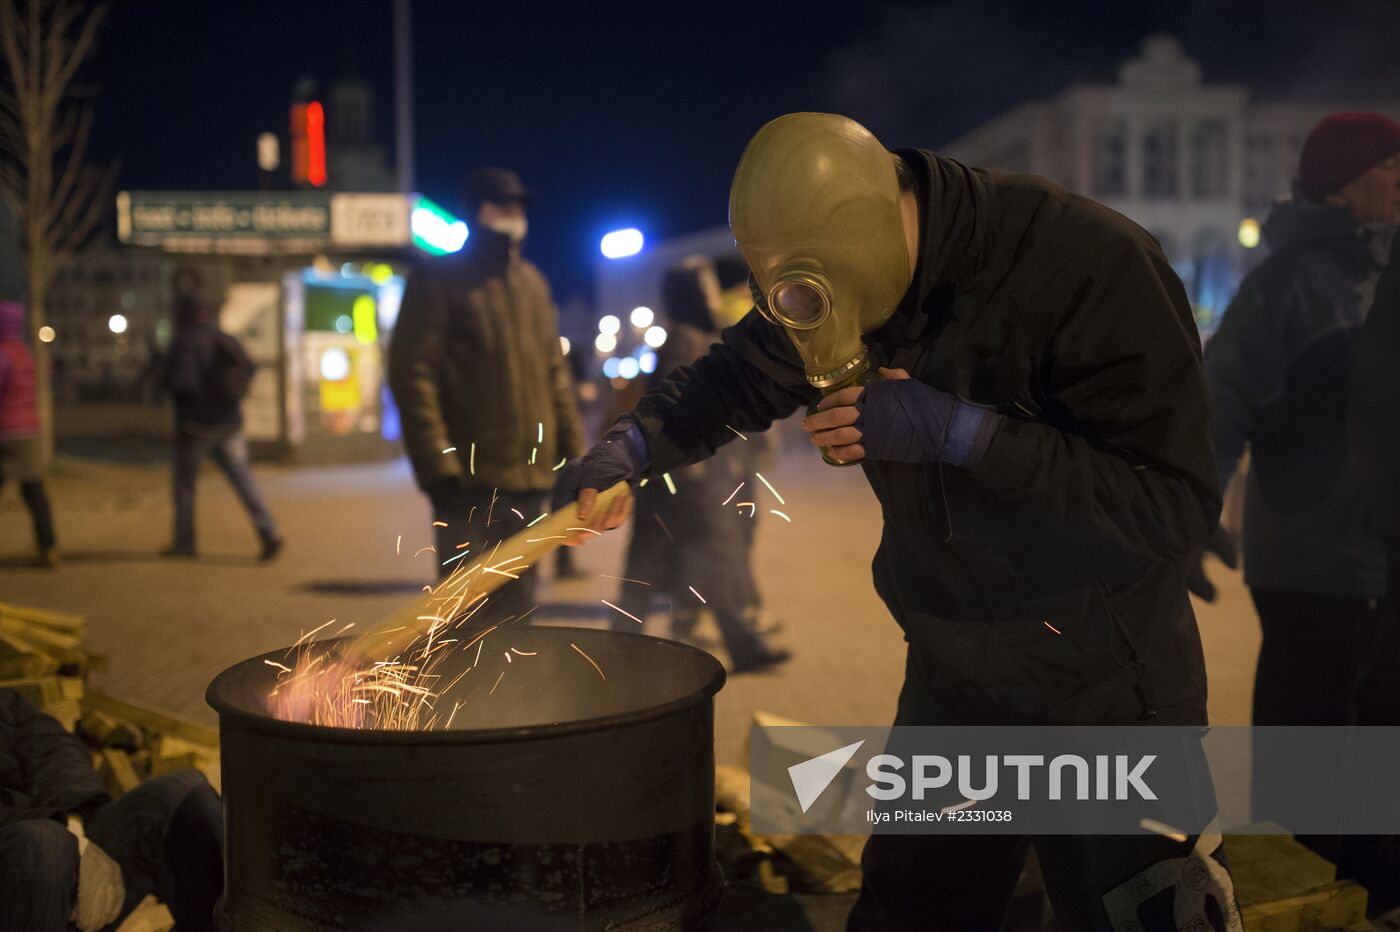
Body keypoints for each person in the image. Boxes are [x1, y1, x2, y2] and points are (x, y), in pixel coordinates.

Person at [555, 113, 1234, 930]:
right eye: (796, 307)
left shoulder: (1091, 265)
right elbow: (728, 383)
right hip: (958, 670)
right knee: (911, 910)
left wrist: (966, 435)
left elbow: (1173, 505)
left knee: (1135, 912)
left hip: (1107, 685)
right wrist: (631, 443)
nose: (818, 338)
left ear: (877, 232)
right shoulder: (815, 277)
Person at [1200, 113, 1400, 875]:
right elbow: (1220, 403)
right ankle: (1300, 890)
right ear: (1342, 187)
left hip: (1388, 558)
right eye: (1390, 164)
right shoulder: (1289, 283)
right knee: (1310, 745)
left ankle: (1379, 889)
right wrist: (1195, 512)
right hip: (1312, 562)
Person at [389, 167, 585, 618]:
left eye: (519, 206)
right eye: (503, 205)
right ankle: (462, 691)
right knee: (463, 616)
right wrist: (439, 464)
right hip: (467, 485)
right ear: (476, 213)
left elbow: (556, 377)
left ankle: (517, 692)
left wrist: (577, 459)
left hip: (530, 482)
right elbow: (411, 373)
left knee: (519, 615)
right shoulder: (438, 279)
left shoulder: (533, 283)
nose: (515, 215)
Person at [612, 260, 789, 672]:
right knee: (657, 561)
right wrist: (691, 469)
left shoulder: (698, 336)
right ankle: (615, 647)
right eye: (705, 285)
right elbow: (678, 409)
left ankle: (739, 646)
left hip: (689, 474)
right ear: (690, 291)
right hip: (681, 477)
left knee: (701, 558)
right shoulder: (683, 339)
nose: (712, 293)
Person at [0, 688, 223, 931]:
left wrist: (74, 826)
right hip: (23, 873)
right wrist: (63, 836)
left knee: (180, 793)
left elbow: (55, 747)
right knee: (42, 844)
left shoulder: (6, 703)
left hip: (54, 858)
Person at [163, 292, 281, 560]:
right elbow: (249, 367)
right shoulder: (222, 339)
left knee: (185, 487)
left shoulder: (185, 343)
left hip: (194, 428)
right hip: (230, 424)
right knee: (243, 480)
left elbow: (183, 383)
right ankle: (269, 531)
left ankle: (185, 543)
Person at [0, 300, 58, 568]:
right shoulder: (27, 353)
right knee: (35, 493)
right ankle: (49, 547)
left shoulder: (3, 355)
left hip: (6, 432)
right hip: (30, 431)